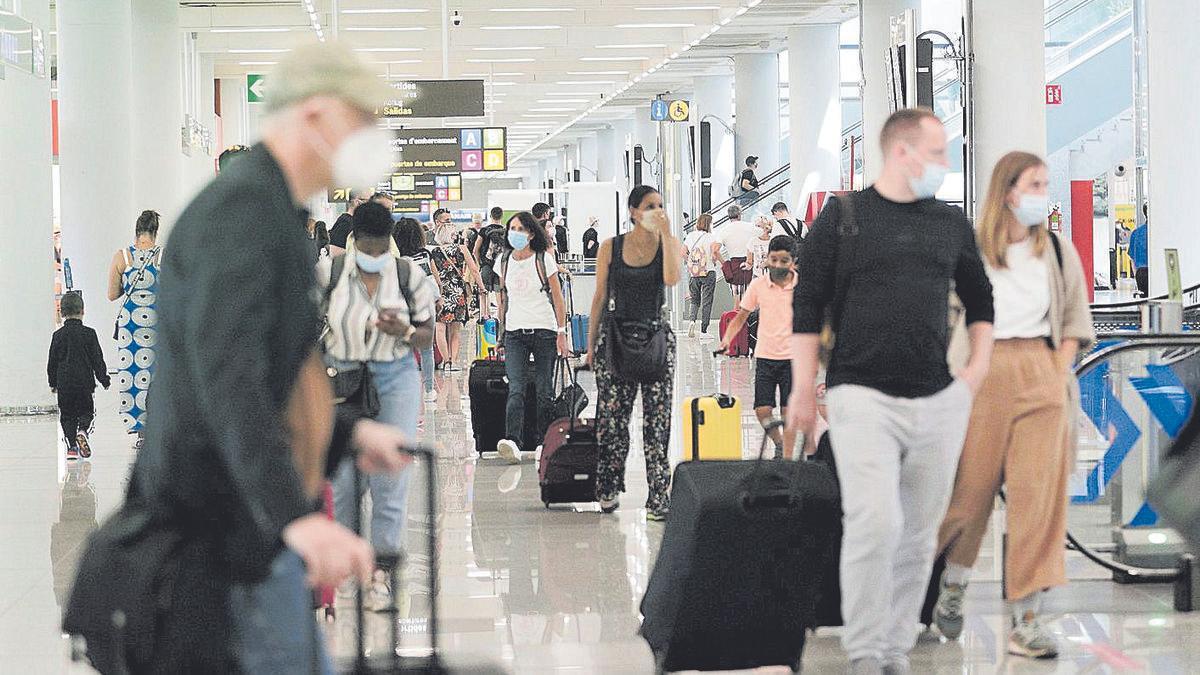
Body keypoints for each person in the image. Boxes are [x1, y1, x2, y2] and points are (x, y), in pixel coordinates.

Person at [90, 43, 416, 671]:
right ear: (316, 116)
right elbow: (227, 379)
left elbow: (266, 380)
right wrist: (298, 518)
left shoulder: (269, 208)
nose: (374, 137)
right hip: (222, 539)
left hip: (246, 529)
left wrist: (347, 434)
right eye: (363, 119)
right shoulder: (243, 212)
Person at [787, 108, 995, 675]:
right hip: (860, 393)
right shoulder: (842, 217)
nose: (944, 165)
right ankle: (864, 649)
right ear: (902, 151)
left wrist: (972, 376)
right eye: (937, 153)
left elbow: (981, 302)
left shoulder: (949, 224)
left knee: (919, 531)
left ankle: (893, 650)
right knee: (875, 519)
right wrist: (804, 388)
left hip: (937, 398)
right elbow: (805, 305)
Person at [932, 151, 1094, 659]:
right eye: (1034, 184)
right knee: (970, 492)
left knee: (1036, 496)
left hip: (1041, 374)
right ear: (1007, 191)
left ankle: (1026, 617)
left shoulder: (1059, 252)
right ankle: (952, 584)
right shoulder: (972, 251)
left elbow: (1073, 319)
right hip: (982, 371)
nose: (1043, 193)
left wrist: (1056, 367)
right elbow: (948, 315)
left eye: (1047, 184)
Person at [319, 201, 437, 611]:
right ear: (354, 241)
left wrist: (403, 330)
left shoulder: (408, 275)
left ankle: (381, 574)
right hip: (340, 378)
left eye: (379, 247)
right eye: (366, 247)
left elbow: (427, 334)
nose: (373, 256)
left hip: (395, 375)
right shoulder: (330, 274)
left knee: (391, 474)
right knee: (344, 478)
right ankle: (349, 567)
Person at [586, 185, 681, 521]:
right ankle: (609, 486)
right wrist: (589, 346)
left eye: (659, 205)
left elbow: (671, 279)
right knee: (612, 420)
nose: (656, 210)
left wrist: (667, 235)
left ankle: (659, 496)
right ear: (632, 211)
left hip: (656, 338)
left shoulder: (667, 245)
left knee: (657, 422)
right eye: (648, 206)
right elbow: (599, 295)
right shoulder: (611, 247)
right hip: (615, 337)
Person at [494, 211, 572, 464]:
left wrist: (562, 333)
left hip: (544, 331)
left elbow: (558, 298)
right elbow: (503, 299)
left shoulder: (543, 259)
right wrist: (501, 333)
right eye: (511, 228)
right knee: (515, 388)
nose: (514, 233)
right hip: (515, 333)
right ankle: (513, 441)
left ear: (530, 233)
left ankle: (543, 441)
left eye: (520, 229)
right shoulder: (503, 261)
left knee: (544, 390)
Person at [719, 235, 798, 458]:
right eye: (774, 260)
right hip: (764, 356)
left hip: (792, 358)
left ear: (793, 262)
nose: (778, 265)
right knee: (762, 410)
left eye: (784, 261)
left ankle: (787, 456)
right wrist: (726, 340)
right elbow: (741, 316)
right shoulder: (758, 285)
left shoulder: (801, 286)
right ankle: (779, 443)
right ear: (767, 259)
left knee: (787, 411)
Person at [106, 209, 163, 450]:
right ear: (155, 233)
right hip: (155, 323)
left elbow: (111, 294)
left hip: (130, 326)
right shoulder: (162, 257)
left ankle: (140, 430)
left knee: (132, 376)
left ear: (136, 232)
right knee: (155, 376)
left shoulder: (122, 257)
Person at [48, 291, 110, 460]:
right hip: (84, 383)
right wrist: (104, 378)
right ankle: (82, 430)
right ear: (83, 311)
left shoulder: (57, 336)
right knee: (86, 411)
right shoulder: (89, 334)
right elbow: (97, 359)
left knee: (67, 415)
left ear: (62, 312)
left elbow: (52, 362)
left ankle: (71, 447)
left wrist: (53, 383)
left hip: (64, 384)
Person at [395, 217, 442, 403]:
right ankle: (429, 390)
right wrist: (439, 298)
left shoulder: (396, 259)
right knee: (427, 350)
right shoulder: (425, 255)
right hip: (425, 306)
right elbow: (433, 279)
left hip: (403, 308)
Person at [430, 207, 484, 371]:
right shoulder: (461, 249)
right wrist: (481, 288)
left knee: (439, 328)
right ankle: (453, 362)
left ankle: (445, 361)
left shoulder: (433, 251)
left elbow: (433, 274)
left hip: (440, 293)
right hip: (458, 293)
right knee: (455, 330)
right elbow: (474, 270)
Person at [681, 213, 717, 338]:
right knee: (707, 301)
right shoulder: (711, 237)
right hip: (708, 271)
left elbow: (682, 252)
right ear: (709, 224)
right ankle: (703, 330)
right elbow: (714, 253)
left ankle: (692, 321)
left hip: (694, 273)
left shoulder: (691, 236)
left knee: (694, 300)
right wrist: (714, 260)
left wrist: (690, 261)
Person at [712, 203, 758, 300]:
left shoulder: (724, 231)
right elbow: (765, 235)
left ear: (728, 216)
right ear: (740, 214)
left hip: (734, 264)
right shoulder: (750, 227)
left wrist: (724, 263)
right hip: (750, 262)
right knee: (750, 295)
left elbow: (715, 250)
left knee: (736, 295)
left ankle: (736, 313)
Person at [475, 206, 507, 295]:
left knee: (483, 292)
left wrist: (479, 264)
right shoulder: (506, 232)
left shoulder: (484, 231)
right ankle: (500, 309)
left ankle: (485, 309)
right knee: (499, 292)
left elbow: (475, 250)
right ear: (501, 216)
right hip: (500, 265)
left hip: (486, 264)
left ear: (490, 216)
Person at [1130, 204, 1148, 296]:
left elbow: (1132, 258)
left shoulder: (1136, 233)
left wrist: (1136, 275)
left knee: (1144, 303)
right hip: (1155, 272)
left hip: (1140, 274)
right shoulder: (1159, 233)